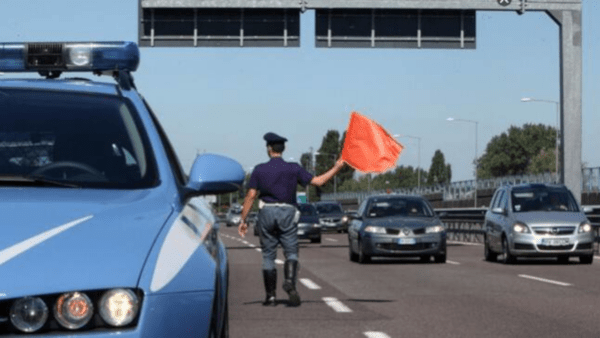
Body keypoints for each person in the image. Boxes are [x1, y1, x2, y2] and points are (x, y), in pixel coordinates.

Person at [238, 132, 345, 307]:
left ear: (268, 149)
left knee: (268, 255)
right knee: (291, 252)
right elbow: (318, 181)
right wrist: (337, 167)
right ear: (284, 148)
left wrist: (243, 220)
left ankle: (270, 297)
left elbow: (250, 195)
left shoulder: (259, 169)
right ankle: (289, 281)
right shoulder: (294, 168)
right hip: (288, 212)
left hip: (267, 212)